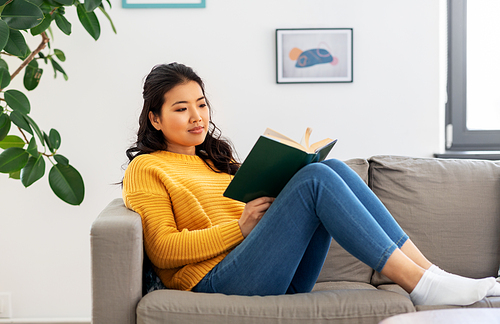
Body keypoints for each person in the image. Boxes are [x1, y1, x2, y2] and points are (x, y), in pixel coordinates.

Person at [122, 62, 500, 306]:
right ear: (155, 119)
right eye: (181, 108)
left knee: (330, 167)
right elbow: (163, 250)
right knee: (317, 178)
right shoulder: (148, 169)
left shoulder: (217, 161)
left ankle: (432, 274)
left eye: (201, 105)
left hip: (268, 271)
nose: (196, 116)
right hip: (213, 282)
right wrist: (238, 229)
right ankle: (421, 286)